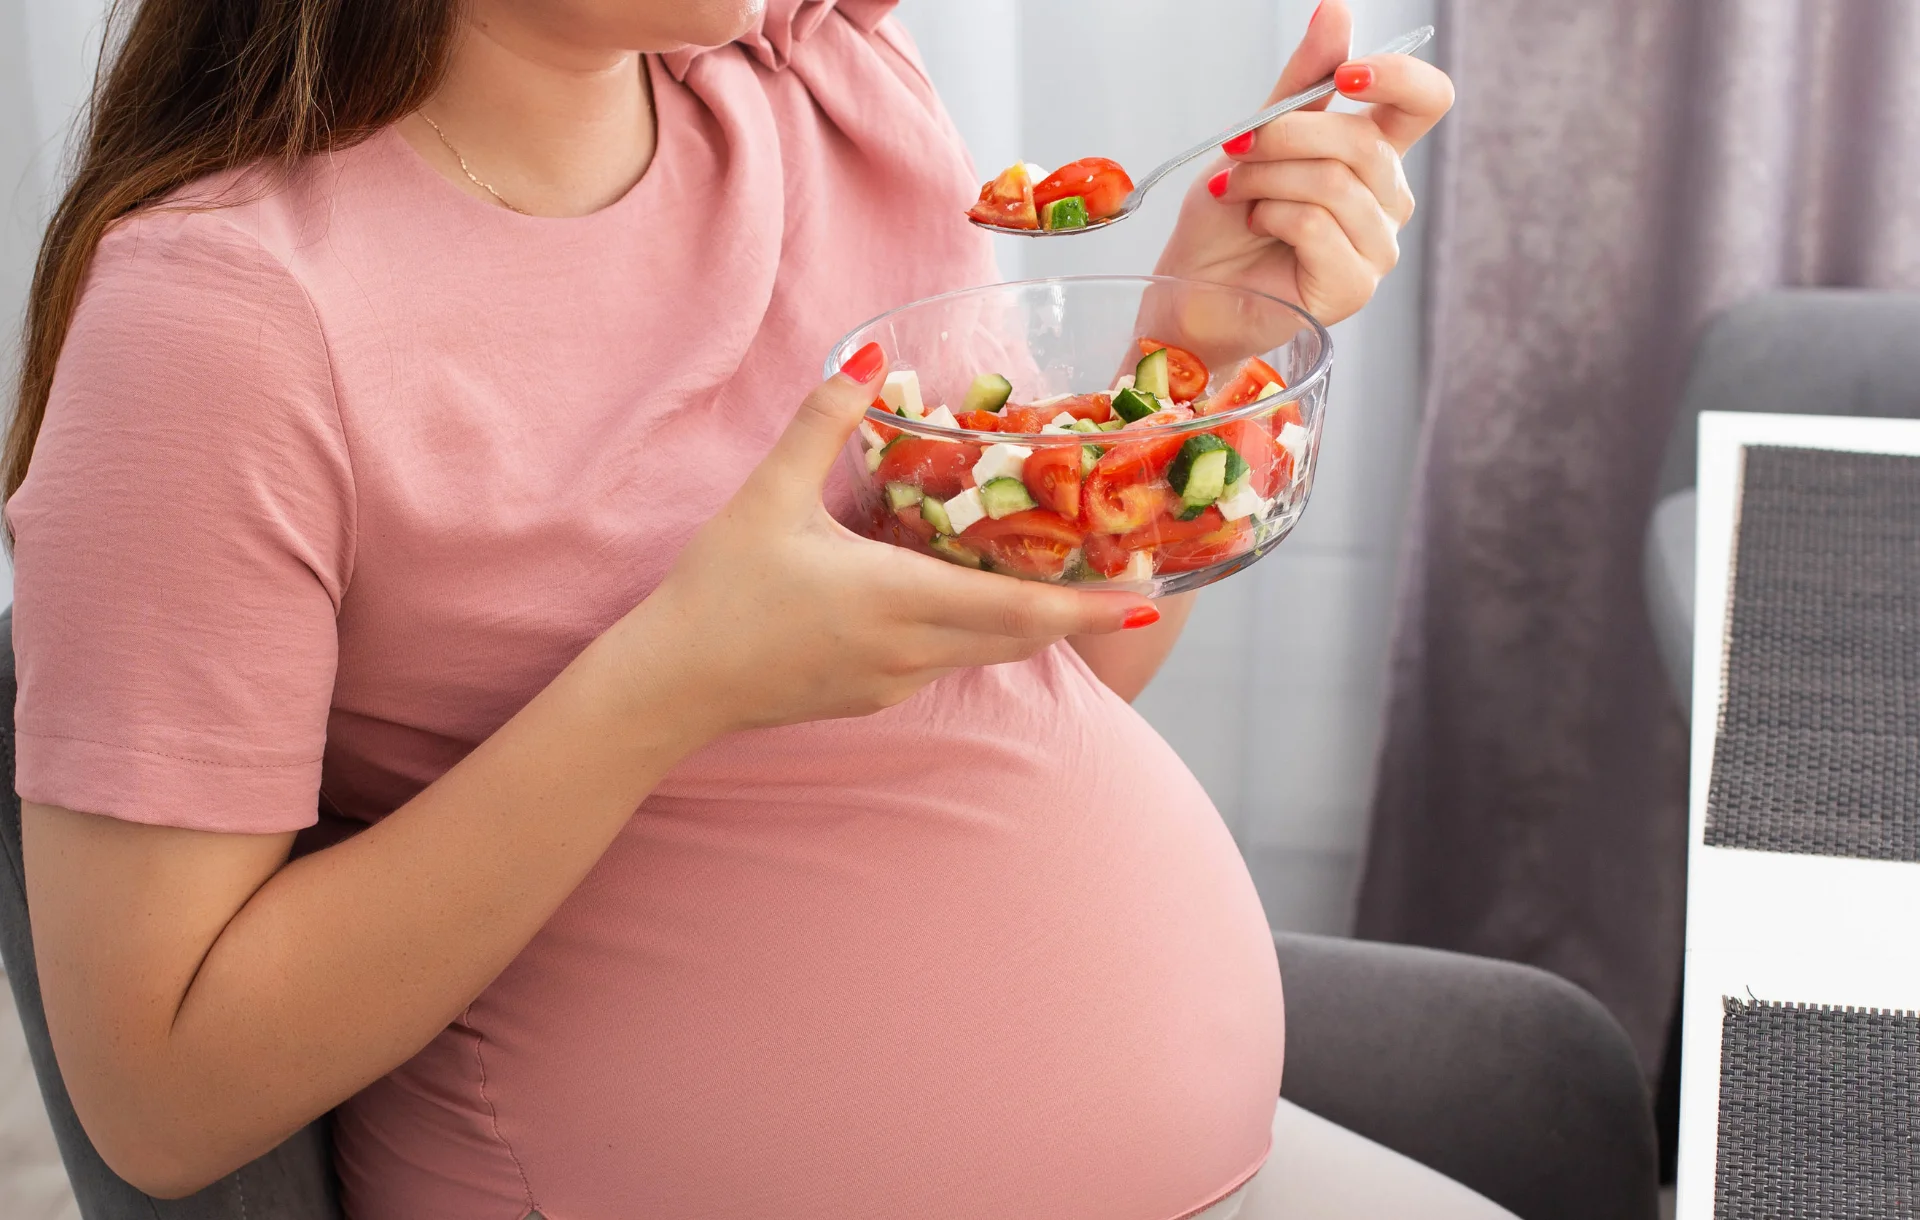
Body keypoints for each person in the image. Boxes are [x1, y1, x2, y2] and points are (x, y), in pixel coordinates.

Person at [6, 0, 1486, 1216]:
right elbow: (161, 1098)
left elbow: (1035, 690)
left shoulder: (831, 87)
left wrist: (1180, 366)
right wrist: (667, 683)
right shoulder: (220, 324)